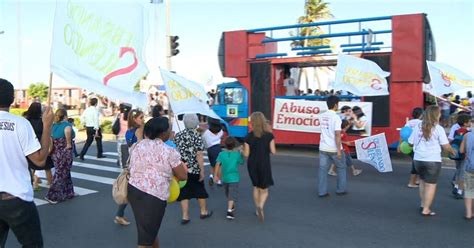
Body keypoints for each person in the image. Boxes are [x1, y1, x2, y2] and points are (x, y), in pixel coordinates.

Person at [0, 78, 54, 247]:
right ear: (12, 99)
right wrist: (47, 126)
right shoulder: (20, 124)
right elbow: (39, 160)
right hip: (16, 199)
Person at [128, 117, 188, 248]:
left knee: (148, 229)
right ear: (162, 133)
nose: (171, 132)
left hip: (133, 190)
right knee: (145, 238)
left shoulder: (137, 145)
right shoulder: (169, 151)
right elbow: (183, 176)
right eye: (170, 130)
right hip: (153, 196)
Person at [408, 105, 456, 216]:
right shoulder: (438, 128)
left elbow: (410, 142)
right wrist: (453, 151)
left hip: (418, 159)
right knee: (431, 185)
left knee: (423, 182)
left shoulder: (418, 126)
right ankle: (426, 209)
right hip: (432, 160)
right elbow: (446, 146)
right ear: (436, 115)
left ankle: (423, 204)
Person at [175, 114, 213, 225]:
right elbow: (199, 154)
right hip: (195, 168)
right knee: (199, 190)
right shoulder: (197, 136)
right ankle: (203, 211)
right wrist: (202, 171)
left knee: (184, 192)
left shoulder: (178, 135)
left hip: (182, 168)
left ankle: (185, 216)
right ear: (196, 123)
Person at [243, 112, 276, 221]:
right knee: (264, 189)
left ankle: (257, 209)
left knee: (256, 186)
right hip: (264, 163)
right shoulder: (269, 136)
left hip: (252, 164)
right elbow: (273, 151)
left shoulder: (248, 136)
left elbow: (246, 154)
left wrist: (242, 151)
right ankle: (261, 206)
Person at [115, 109, 145, 226]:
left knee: (131, 191)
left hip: (133, 164)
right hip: (139, 165)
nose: (143, 119)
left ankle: (120, 214)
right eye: (141, 117)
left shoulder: (129, 131)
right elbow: (142, 146)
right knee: (135, 191)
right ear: (134, 119)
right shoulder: (139, 131)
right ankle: (123, 214)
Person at [318, 96, 347, 198]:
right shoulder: (336, 118)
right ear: (335, 105)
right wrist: (339, 150)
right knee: (341, 168)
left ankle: (322, 192)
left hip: (323, 148)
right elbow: (337, 135)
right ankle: (341, 190)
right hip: (334, 149)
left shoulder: (321, 116)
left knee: (322, 171)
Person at [44, 109, 75, 204]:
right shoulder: (67, 125)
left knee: (63, 171)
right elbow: (68, 133)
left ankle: (69, 192)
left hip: (55, 152)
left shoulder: (52, 126)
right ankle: (52, 195)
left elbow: (50, 140)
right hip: (64, 152)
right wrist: (69, 144)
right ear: (65, 116)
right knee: (61, 173)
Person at [24, 102, 54, 190]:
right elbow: (49, 133)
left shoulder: (26, 121)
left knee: (31, 166)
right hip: (42, 143)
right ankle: (50, 183)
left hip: (30, 145)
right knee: (47, 166)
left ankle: (34, 182)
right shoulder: (43, 121)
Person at [214, 136, 244, 220]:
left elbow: (217, 164)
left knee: (228, 193)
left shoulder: (221, 154)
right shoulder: (237, 155)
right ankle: (231, 206)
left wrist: (215, 175)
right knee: (231, 193)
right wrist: (241, 152)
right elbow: (241, 162)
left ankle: (229, 210)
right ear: (234, 145)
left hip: (225, 177)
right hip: (234, 178)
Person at [397, 107, 423, 188]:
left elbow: (403, 133)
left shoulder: (409, 122)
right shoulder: (422, 123)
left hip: (408, 145)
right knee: (417, 163)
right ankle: (412, 182)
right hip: (417, 146)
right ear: (421, 115)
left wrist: (399, 145)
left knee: (416, 162)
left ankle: (417, 180)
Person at [449, 114, 471, 199]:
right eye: (469, 121)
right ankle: (459, 191)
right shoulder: (468, 133)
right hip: (464, 155)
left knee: (458, 170)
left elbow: (452, 140)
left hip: (456, 154)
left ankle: (456, 186)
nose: (470, 122)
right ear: (465, 123)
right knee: (463, 173)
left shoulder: (456, 131)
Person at [201, 118, 224, 186]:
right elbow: (221, 136)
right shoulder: (220, 132)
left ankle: (211, 176)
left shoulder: (206, 133)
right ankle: (218, 180)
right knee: (219, 165)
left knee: (212, 165)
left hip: (210, 149)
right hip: (217, 148)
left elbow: (204, 141)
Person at [459, 117, 474, 220]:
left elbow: (461, 151)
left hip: (469, 166)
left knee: (469, 189)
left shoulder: (467, 135)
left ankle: (468, 213)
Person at [116, 103, 132, 168]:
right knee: (129, 152)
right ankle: (128, 166)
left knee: (120, 153)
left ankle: (121, 166)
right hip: (128, 137)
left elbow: (115, 125)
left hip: (120, 136)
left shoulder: (119, 115)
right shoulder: (131, 117)